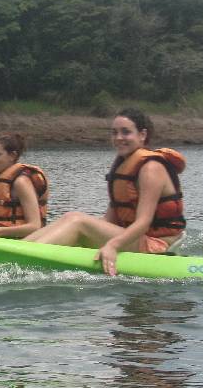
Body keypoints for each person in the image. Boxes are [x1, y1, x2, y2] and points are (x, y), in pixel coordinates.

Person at [24, 108, 186, 276]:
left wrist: (112, 245)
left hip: (157, 245)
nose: (118, 138)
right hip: (135, 239)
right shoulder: (124, 167)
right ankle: (20, 247)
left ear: (142, 135)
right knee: (70, 217)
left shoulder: (151, 168)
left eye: (126, 132)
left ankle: (22, 257)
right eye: (114, 133)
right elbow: (108, 221)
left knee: (78, 220)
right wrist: (91, 239)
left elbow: (143, 222)